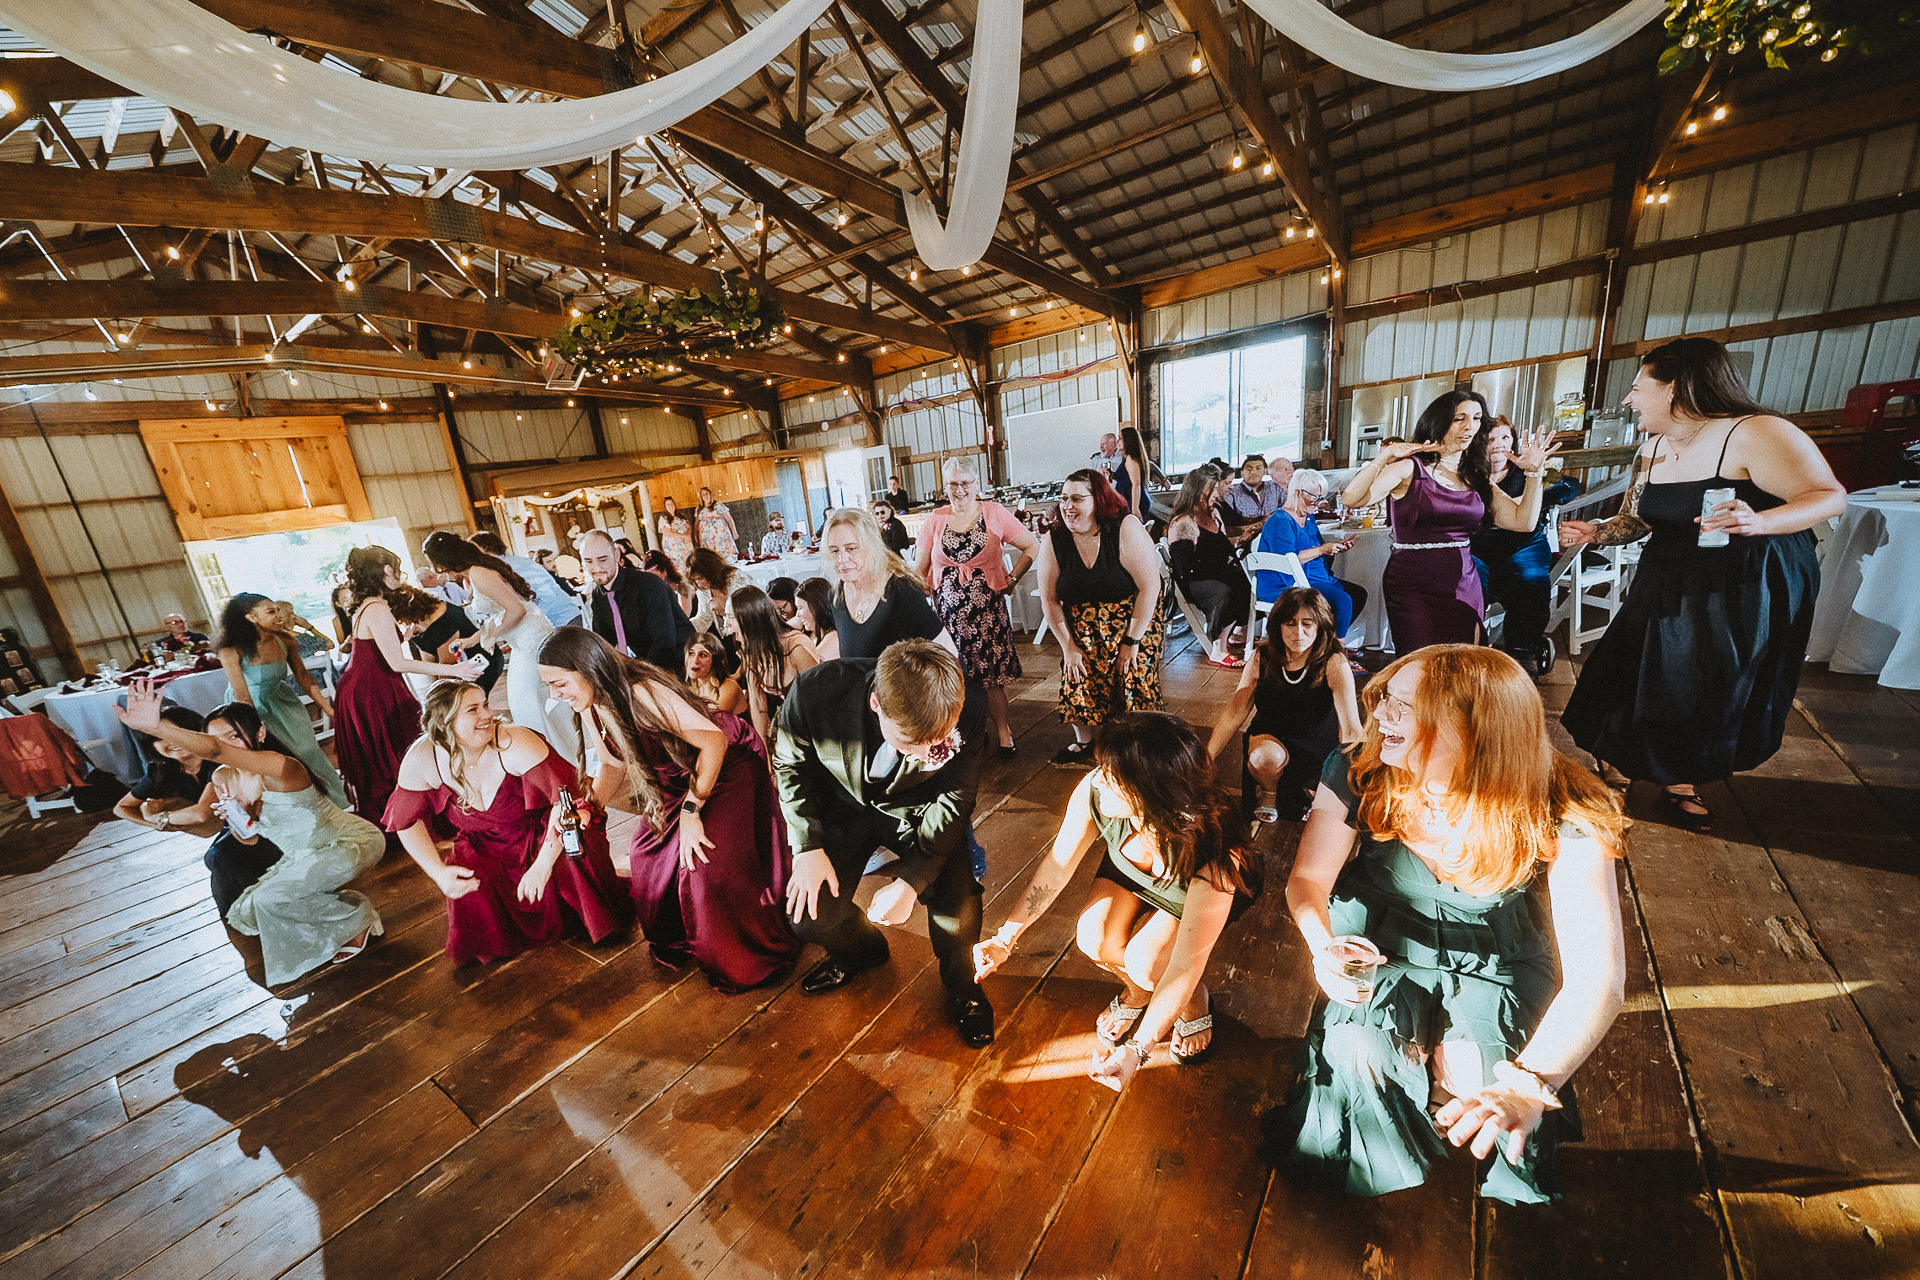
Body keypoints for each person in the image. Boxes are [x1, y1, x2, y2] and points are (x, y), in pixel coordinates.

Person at [1264, 645, 1628, 1205]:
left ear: (1474, 730)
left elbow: (1598, 983)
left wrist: (1528, 1084)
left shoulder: (1566, 805)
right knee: (1362, 1050)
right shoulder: (1360, 765)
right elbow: (1307, 880)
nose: (1378, 715)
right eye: (1383, 697)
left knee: (1485, 1077)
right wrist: (1325, 947)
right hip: (1381, 942)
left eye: (1402, 707)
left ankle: (1454, 1082)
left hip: (1497, 958)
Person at [1559, 336, 1845, 830]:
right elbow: (1637, 519)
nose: (1629, 400)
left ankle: (1680, 778)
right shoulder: (1650, 450)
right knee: (1626, 669)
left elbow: (1829, 496)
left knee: (1699, 683)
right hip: (1667, 575)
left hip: (1741, 581)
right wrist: (1598, 531)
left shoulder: (1757, 432)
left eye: (1637, 387)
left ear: (1676, 388)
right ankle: (1618, 764)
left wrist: (1760, 522)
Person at [973, 712, 1258, 1080]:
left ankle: (1193, 1003)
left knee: (1150, 963)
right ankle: (1138, 994)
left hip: (1191, 892)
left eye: (1113, 777)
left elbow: (1185, 964)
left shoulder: (1218, 854)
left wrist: (1137, 1050)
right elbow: (1058, 866)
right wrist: (1005, 938)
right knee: (1093, 938)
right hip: (1131, 873)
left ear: (1151, 791)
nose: (1099, 781)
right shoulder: (1095, 790)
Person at [538, 627, 800, 991]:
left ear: (586, 668)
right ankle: (685, 938)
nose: (554, 694)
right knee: (645, 857)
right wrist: (590, 807)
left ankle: (750, 951)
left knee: (704, 865)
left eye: (558, 682)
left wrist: (692, 813)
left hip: (726, 765)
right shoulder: (591, 703)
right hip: (676, 779)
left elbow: (713, 740)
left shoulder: (641, 692)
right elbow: (612, 765)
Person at [774, 639, 994, 1047]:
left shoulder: (970, 704)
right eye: (913, 743)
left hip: (920, 813)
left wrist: (910, 882)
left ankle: (963, 987)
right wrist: (806, 847)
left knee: (958, 904)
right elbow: (790, 764)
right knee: (808, 916)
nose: (929, 753)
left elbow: (956, 799)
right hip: (841, 809)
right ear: (876, 703)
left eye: (938, 742)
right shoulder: (814, 692)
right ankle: (862, 951)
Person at [119, 684, 387, 986]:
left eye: (233, 736)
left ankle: (358, 919)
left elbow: (217, 751)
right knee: (254, 906)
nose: (226, 747)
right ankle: (348, 915)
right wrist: (238, 817)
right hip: (304, 854)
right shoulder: (223, 776)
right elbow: (250, 838)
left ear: (259, 733)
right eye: (216, 739)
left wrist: (158, 727)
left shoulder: (282, 765)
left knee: (272, 896)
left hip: (349, 843)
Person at [385, 680, 632, 966]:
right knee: (465, 882)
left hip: (541, 832)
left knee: (576, 843)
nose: (486, 715)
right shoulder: (422, 759)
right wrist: (437, 872)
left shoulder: (514, 742)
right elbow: (405, 822)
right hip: (484, 846)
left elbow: (565, 803)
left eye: (486, 705)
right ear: (444, 721)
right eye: (473, 709)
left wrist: (542, 864)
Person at [1339, 392, 1558, 652]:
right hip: (1412, 586)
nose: (1470, 426)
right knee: (1421, 665)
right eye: (1459, 419)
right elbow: (1352, 499)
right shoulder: (1410, 469)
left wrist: (1534, 473)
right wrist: (1384, 457)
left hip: (1464, 583)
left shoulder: (1476, 475)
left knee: (1464, 663)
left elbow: (1524, 521)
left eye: (1476, 418)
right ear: (1440, 422)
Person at [337, 546, 483, 823]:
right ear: (386, 571)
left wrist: (402, 637)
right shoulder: (378, 607)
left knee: (390, 750)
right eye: (397, 568)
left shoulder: (366, 604)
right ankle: (412, 817)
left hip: (361, 684)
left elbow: (373, 650)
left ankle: (402, 815)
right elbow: (397, 663)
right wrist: (456, 670)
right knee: (401, 749)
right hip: (374, 689)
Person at [1035, 468, 1164, 766]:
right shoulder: (1054, 540)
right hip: (1081, 625)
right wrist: (1068, 646)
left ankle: (1139, 743)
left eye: (1077, 498)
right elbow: (1050, 601)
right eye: (1064, 498)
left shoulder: (1125, 527)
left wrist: (1131, 642)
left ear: (1098, 500)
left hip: (1133, 618)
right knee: (1077, 670)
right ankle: (1085, 742)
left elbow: (1150, 587)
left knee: (1133, 671)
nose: (1068, 506)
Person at [914, 457, 1038, 757]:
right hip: (949, 616)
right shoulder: (935, 520)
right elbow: (919, 569)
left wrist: (1013, 578)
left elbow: (1032, 545)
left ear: (977, 484)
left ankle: (1003, 731)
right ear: (945, 487)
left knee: (992, 677)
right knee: (957, 677)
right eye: (953, 484)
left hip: (987, 613)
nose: (959, 490)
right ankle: (972, 729)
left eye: (965, 483)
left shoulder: (994, 512)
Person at [114, 704, 284, 919]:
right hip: (241, 827)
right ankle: (248, 915)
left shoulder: (218, 764)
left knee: (221, 856)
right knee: (220, 858)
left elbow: (201, 814)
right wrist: (160, 824)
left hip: (273, 826)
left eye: (177, 734)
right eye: (159, 737)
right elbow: (121, 808)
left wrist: (160, 816)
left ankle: (255, 913)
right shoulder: (163, 769)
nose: (171, 742)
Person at [1209, 588, 1363, 823]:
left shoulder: (1333, 661)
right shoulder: (1263, 657)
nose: (1298, 633)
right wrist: (1206, 758)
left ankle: (1306, 787)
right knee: (1265, 758)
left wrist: (1361, 778)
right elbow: (1235, 711)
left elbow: (1351, 729)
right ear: (1278, 626)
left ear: (1320, 626)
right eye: (1290, 624)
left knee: (1328, 806)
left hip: (1318, 743)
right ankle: (1269, 792)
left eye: (1307, 624)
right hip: (1271, 737)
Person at [424, 531, 580, 760]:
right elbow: (498, 614)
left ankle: (554, 758)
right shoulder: (477, 571)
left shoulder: (479, 573)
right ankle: (561, 756)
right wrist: (472, 640)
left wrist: (492, 636)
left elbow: (517, 610)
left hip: (531, 641)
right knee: (529, 702)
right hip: (523, 641)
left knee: (528, 703)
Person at [1471, 417, 1583, 679]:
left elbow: (1569, 486)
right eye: (1491, 439)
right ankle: (1472, 650)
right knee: (1466, 583)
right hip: (1479, 548)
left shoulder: (1527, 470)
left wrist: (1526, 498)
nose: (1498, 445)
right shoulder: (1470, 475)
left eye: (1505, 438)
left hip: (1524, 545)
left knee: (1532, 582)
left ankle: (1522, 653)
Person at [215, 593, 347, 810]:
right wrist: (253, 728)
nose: (279, 616)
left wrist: (328, 709)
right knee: (280, 760)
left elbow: (303, 676)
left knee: (308, 750)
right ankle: (302, 808)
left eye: (277, 610)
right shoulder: (231, 650)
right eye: (271, 611)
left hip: (282, 700)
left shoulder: (285, 639)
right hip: (251, 709)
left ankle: (336, 803)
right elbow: (242, 696)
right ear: (251, 617)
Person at [825, 508, 955, 660]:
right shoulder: (836, 596)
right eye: (834, 551)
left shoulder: (903, 591)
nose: (842, 559)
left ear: (871, 546)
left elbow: (950, 656)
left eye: (851, 548)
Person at [1255, 470, 1367, 641]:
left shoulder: (1308, 518)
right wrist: (1322, 549)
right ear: (1298, 493)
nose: (1319, 504)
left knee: (1358, 594)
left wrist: (1336, 548)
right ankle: (1338, 651)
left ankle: (1327, 643)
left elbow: (1319, 550)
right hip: (1290, 582)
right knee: (1343, 600)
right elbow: (1287, 560)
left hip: (1313, 577)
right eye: (1317, 497)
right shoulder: (1281, 521)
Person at [1165, 466, 1250, 669]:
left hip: (1212, 573)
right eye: (1211, 490)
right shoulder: (1185, 522)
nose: (1216, 494)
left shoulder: (1214, 514)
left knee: (1245, 582)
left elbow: (1218, 546)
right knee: (1225, 591)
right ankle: (1218, 649)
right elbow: (1185, 568)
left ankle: (1234, 633)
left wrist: (1239, 540)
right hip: (1194, 581)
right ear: (1199, 492)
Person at [582, 530, 697, 670]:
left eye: (603, 559)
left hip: (683, 663)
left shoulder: (648, 585)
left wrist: (641, 674)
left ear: (616, 555)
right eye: (589, 561)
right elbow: (603, 644)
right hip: (647, 665)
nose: (596, 568)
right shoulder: (599, 597)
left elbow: (664, 643)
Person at [730, 585, 819, 746]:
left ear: (750, 618)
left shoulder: (795, 648)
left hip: (816, 728)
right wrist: (764, 746)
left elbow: (820, 700)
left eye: (731, 617)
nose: (726, 624)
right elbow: (757, 706)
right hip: (789, 726)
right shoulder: (752, 653)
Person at [387, 583, 502, 695]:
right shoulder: (416, 622)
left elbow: (447, 664)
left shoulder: (445, 620)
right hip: (453, 668)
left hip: (478, 663)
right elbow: (427, 656)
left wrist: (439, 693)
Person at [471, 529, 584, 628]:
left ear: (486, 549)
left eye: (474, 551)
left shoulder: (515, 566)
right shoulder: (505, 566)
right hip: (553, 622)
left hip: (562, 622)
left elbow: (545, 596)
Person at [1219, 454, 1288, 540]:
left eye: (1258, 468)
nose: (1253, 472)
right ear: (1242, 472)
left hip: (1275, 536)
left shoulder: (1275, 488)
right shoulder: (1232, 493)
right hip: (1245, 540)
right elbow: (1229, 524)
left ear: (1265, 470)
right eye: (1249, 469)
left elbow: (1287, 509)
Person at [683, 631, 746, 715]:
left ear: (715, 661)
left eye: (703, 655)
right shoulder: (688, 690)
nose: (695, 661)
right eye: (691, 653)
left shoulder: (729, 687)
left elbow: (710, 723)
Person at [684, 547, 737, 644]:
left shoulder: (736, 579)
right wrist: (681, 629)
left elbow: (748, 614)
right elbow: (704, 618)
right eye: (695, 580)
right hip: (728, 637)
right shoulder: (703, 589)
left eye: (700, 578)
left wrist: (724, 611)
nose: (699, 584)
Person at [643, 548, 699, 620]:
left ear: (664, 571)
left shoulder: (683, 586)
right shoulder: (658, 590)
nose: (651, 580)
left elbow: (683, 616)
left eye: (653, 575)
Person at [1111, 425, 1151, 522]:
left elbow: (1136, 484)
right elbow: (1124, 478)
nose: (1118, 441)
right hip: (1128, 500)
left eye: (1120, 438)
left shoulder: (1131, 459)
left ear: (1128, 441)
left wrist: (1135, 509)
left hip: (1133, 502)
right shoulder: (1127, 459)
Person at [795, 577, 840, 660]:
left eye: (800, 608)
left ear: (816, 608)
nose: (797, 615)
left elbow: (810, 666)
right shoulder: (810, 635)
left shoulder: (833, 638)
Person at [693, 486, 740, 564]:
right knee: (711, 559)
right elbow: (696, 524)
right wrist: (695, 537)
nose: (705, 496)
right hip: (706, 539)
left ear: (710, 495)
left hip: (721, 537)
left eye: (707, 493)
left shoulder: (718, 505)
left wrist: (734, 532)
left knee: (725, 559)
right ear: (701, 497)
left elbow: (729, 519)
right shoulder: (699, 508)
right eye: (703, 494)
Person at [656, 496, 696, 574]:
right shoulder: (663, 518)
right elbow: (667, 532)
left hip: (686, 545)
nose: (670, 506)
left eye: (672, 504)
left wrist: (688, 535)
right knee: (678, 569)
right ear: (665, 507)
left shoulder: (681, 516)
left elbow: (689, 527)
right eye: (668, 505)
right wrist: (683, 536)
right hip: (675, 548)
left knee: (689, 565)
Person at [329, 585, 355, 649]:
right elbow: (343, 648)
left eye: (351, 596)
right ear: (338, 604)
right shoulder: (337, 621)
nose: (350, 601)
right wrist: (348, 641)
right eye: (345, 599)